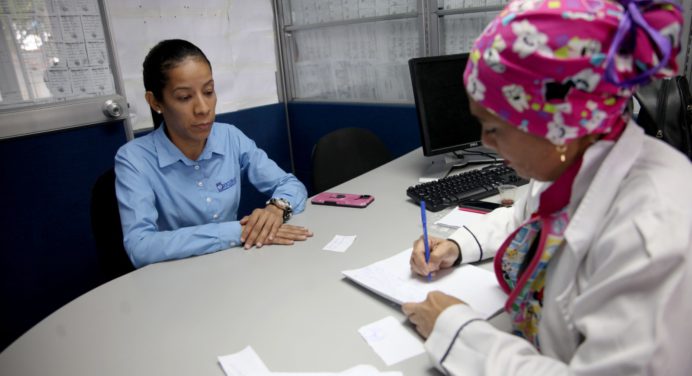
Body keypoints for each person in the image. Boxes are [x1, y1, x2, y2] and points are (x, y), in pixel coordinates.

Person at [402, 0, 692, 374]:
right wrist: (456, 246)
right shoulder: (574, 160)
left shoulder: (655, 235)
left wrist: (458, 333)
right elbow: (526, 222)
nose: (485, 144)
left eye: (494, 129)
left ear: (556, 127)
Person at [115, 39, 312, 268]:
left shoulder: (230, 137)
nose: (203, 108)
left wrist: (276, 209)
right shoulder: (134, 158)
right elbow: (141, 246)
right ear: (155, 101)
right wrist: (237, 231)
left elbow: (291, 184)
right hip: (176, 280)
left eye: (208, 91)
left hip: (233, 266)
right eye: (184, 97)